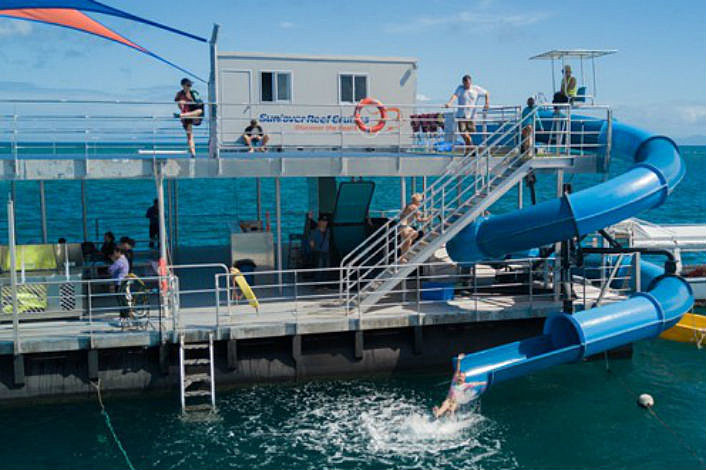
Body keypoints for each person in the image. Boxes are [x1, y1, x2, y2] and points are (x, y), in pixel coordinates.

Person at [445, 75, 490, 156]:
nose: (467, 85)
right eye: (466, 84)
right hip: (461, 115)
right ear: (463, 83)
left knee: (470, 133)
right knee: (465, 134)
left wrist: (487, 103)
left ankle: (468, 151)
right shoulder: (460, 88)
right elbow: (455, 95)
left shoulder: (475, 89)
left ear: (470, 82)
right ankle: (472, 149)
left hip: (471, 116)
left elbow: (486, 92)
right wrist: (449, 103)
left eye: (469, 83)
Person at [433, 353, 487, 419]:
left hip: (456, 402)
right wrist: (459, 360)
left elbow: (476, 383)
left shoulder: (466, 385)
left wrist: (485, 382)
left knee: (452, 407)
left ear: (464, 378)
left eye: (462, 377)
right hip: (448, 399)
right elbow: (457, 370)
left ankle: (449, 415)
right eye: (460, 376)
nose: (460, 377)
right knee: (445, 405)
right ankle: (438, 413)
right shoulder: (454, 381)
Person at [174, 78, 204, 157]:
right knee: (189, 135)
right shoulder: (179, 94)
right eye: (188, 85)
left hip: (195, 113)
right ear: (183, 86)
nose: (189, 87)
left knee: (199, 111)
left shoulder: (193, 93)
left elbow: (199, 104)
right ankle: (193, 153)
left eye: (190, 85)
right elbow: (177, 101)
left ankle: (182, 115)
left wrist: (188, 102)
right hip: (187, 115)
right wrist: (182, 104)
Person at [399, 193, 431, 263]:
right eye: (420, 201)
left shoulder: (408, 205)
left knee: (412, 236)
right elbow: (419, 220)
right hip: (405, 227)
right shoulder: (414, 207)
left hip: (402, 226)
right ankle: (402, 258)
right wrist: (428, 219)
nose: (420, 202)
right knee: (408, 240)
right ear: (417, 201)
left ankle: (403, 255)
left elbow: (404, 214)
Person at [308, 215, 330, 280]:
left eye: (325, 221)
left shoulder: (328, 231)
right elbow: (311, 243)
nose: (324, 223)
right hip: (318, 252)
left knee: (327, 268)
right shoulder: (314, 231)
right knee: (319, 268)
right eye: (323, 221)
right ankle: (318, 285)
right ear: (319, 222)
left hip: (326, 252)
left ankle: (324, 284)